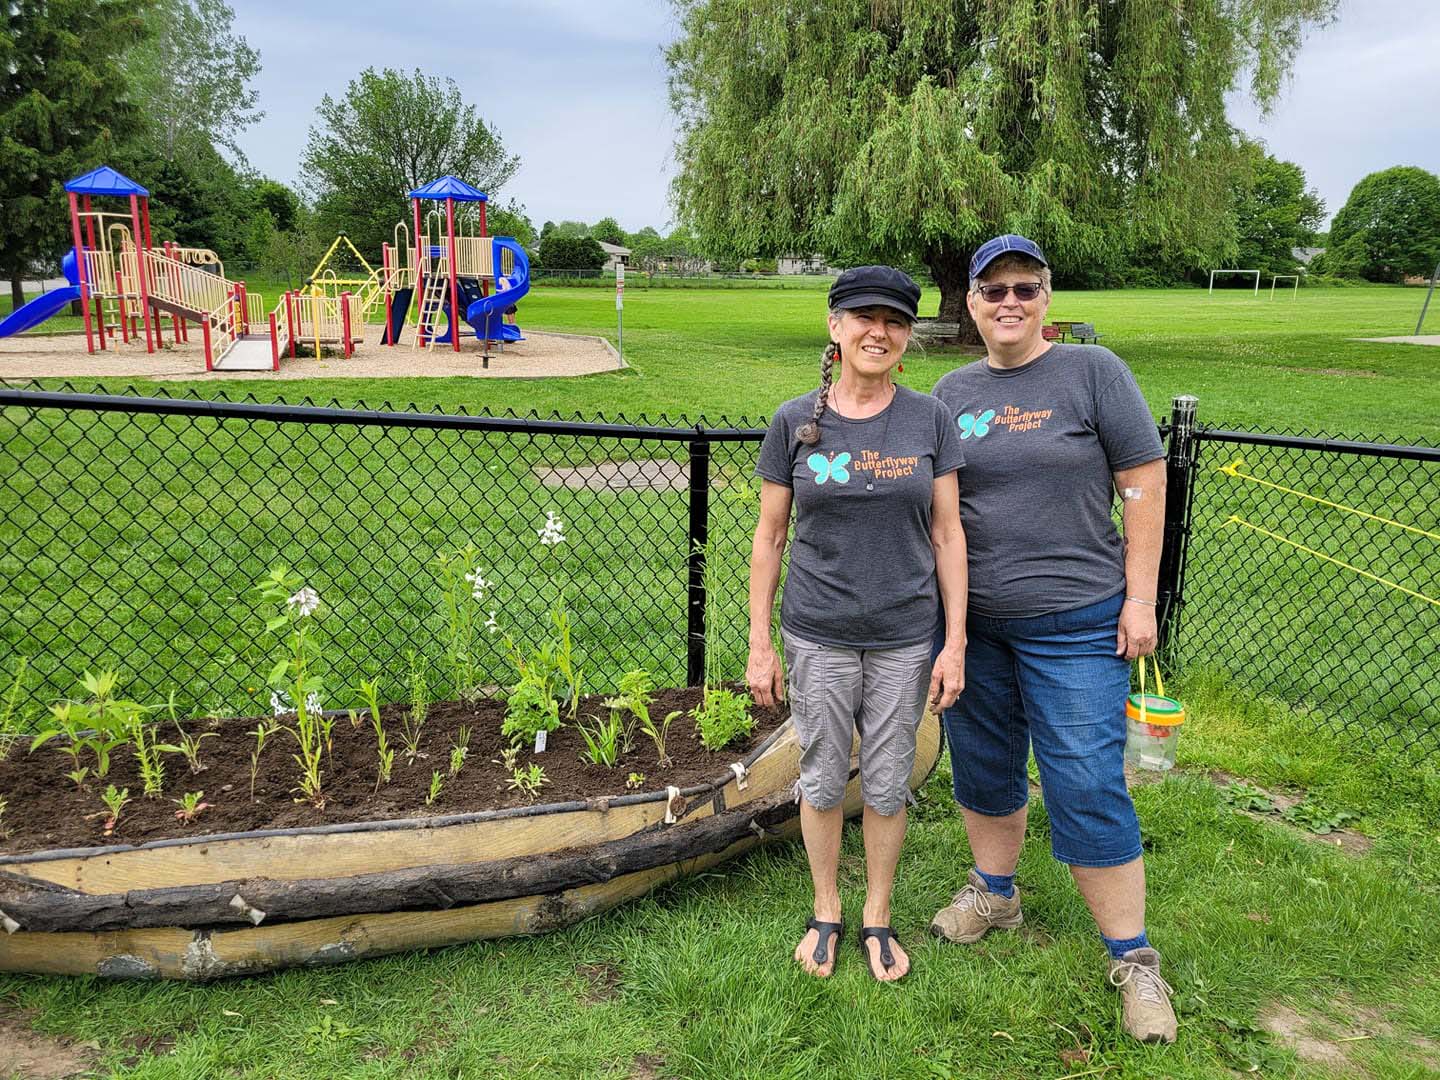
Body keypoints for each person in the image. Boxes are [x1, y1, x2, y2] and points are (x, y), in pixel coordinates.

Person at [928, 235, 1175, 1042]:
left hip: (1078, 623)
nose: (1008, 302)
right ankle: (994, 895)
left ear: (1045, 299)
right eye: (992, 289)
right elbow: (933, 510)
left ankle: (1134, 960)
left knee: (1084, 780)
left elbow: (1142, 483)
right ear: (970, 301)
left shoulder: (1093, 373)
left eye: (1024, 289)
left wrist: (1141, 598)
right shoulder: (950, 390)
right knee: (986, 765)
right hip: (977, 627)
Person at [748, 265, 969, 983]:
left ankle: (876, 914)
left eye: (895, 321)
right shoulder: (794, 420)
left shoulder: (929, 418)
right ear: (835, 326)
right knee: (820, 775)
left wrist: (954, 640)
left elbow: (947, 535)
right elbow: (770, 537)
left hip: (906, 635)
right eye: (864, 317)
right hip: (818, 630)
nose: (880, 332)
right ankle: (826, 909)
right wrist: (760, 643)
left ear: (908, 337)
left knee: (885, 779)